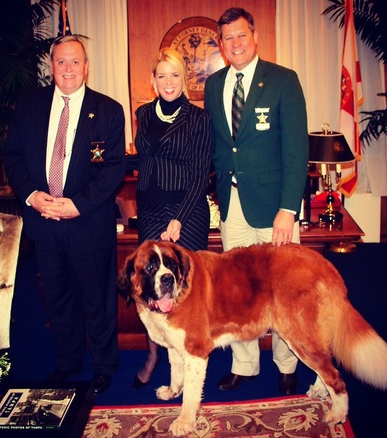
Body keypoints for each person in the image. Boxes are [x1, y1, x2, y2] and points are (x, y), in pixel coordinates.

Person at [2, 34, 126, 395]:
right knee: (57, 296)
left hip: (87, 223)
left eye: (75, 62)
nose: (68, 68)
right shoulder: (29, 105)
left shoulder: (107, 110)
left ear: (86, 67)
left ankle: (104, 366)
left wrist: (78, 204)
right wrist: (31, 196)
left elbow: (113, 169)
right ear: (51, 67)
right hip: (43, 221)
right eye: (61, 62)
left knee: (96, 298)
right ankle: (69, 359)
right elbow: (13, 157)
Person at [203, 7, 309, 395]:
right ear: (221, 43)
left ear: (255, 36)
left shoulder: (283, 80)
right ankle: (244, 365)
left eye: (241, 36)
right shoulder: (214, 86)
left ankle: (286, 362)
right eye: (227, 38)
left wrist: (289, 209)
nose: (235, 44)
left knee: (282, 289)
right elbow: (219, 145)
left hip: (273, 209)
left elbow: (296, 150)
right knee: (237, 289)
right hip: (232, 206)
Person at [130, 47, 213, 389]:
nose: (168, 82)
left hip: (187, 210)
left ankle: (189, 354)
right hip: (150, 211)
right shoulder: (143, 113)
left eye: (174, 75)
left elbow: (201, 173)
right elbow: (142, 162)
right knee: (150, 286)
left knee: (185, 291)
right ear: (153, 80)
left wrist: (178, 218)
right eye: (161, 75)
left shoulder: (198, 119)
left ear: (184, 79)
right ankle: (153, 355)